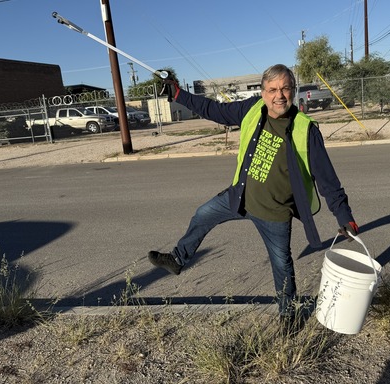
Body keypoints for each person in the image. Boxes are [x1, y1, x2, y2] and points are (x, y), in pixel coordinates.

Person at [148, 64, 359, 321]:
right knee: (202, 214)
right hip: (239, 197)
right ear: (262, 92)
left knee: (282, 265)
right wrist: (179, 94)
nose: (278, 95)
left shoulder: (306, 129)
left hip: (275, 211)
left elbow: (328, 180)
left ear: (293, 91)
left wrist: (344, 217)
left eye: (285, 88)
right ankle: (178, 259)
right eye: (272, 90)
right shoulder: (251, 109)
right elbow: (213, 109)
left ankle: (288, 314)